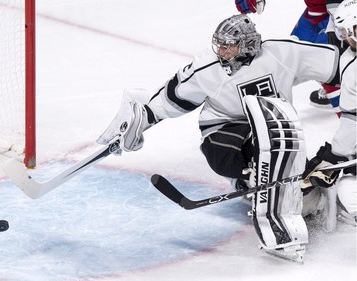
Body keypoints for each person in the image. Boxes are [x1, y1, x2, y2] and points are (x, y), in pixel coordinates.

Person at [97, 14, 339, 262]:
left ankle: (293, 193)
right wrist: (142, 119)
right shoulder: (207, 68)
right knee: (222, 158)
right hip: (224, 124)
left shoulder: (282, 53)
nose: (221, 51)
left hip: (273, 123)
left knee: (297, 191)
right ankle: (245, 181)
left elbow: (336, 64)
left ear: (247, 45)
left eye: (227, 46)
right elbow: (173, 97)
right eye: (219, 45)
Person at [301, 0, 356, 227]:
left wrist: (334, 157)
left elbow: (353, 120)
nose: (343, 36)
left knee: (348, 191)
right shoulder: (349, 58)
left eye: (346, 31)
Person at [234, 0, 344, 114]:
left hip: (340, 7)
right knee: (297, 51)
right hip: (317, 10)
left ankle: (348, 101)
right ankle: (335, 84)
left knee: (328, 56)